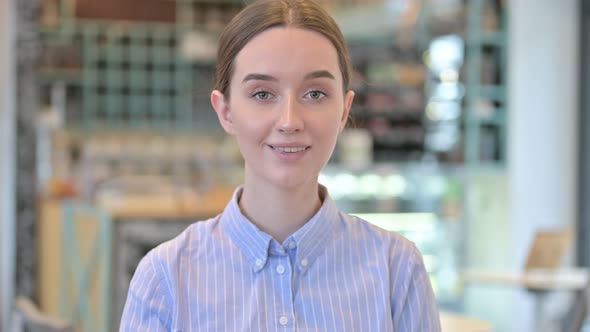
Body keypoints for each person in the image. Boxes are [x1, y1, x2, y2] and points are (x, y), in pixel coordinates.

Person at [119, 0, 441, 330]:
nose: (289, 121)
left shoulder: (398, 270)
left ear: (344, 111)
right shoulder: (166, 279)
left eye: (315, 93)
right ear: (226, 111)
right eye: (262, 94)